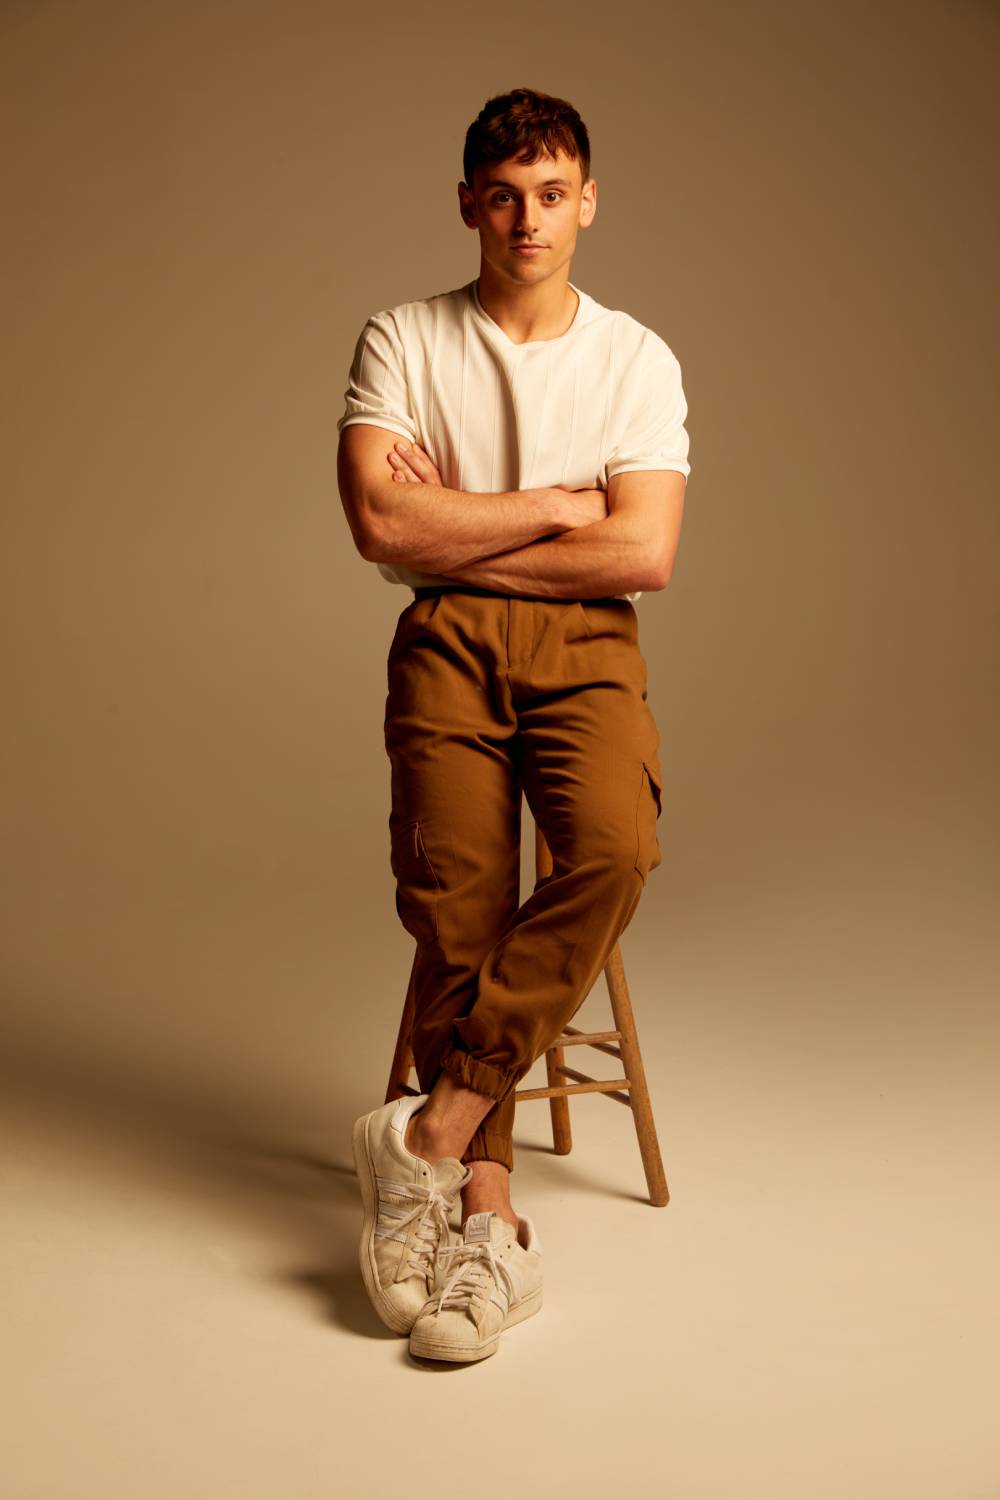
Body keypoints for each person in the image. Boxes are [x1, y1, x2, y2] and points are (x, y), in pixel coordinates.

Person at [337, 86, 691, 1363]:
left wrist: (464, 524)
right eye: (503, 195)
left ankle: (430, 1132)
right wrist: (555, 504)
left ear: (585, 202)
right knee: (457, 902)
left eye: (552, 195)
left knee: (614, 849)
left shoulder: (634, 357)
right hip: (443, 646)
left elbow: (643, 553)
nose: (527, 219)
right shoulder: (404, 336)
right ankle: (486, 1224)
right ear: (468, 204)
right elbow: (380, 528)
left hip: (587, 652)